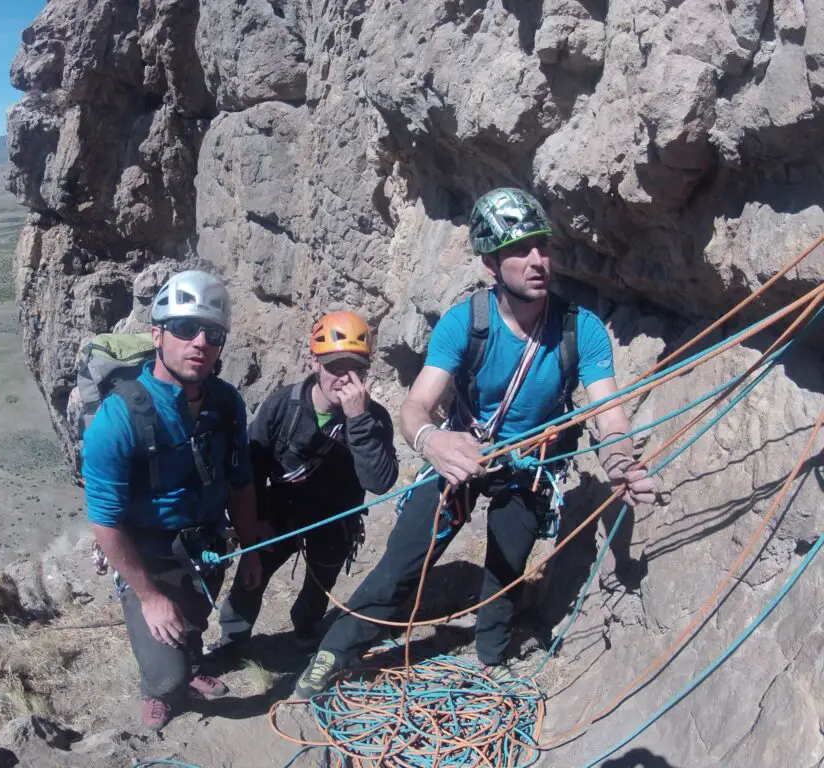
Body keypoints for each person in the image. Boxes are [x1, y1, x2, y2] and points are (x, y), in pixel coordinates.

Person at [293, 187, 656, 698]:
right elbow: (416, 407)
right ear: (491, 262)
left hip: (529, 462)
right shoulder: (467, 323)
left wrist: (619, 462)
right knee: (403, 563)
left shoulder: (582, 330)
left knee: (506, 568)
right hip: (462, 452)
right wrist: (431, 441)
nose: (537, 261)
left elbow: (608, 416)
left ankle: (491, 657)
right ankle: (333, 652)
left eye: (543, 247)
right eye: (519, 250)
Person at [82, 270, 263, 731]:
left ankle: (192, 660)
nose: (199, 342)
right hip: (147, 552)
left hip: (205, 541)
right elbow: (104, 520)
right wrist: (147, 595)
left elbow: (240, 480)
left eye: (213, 334)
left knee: (196, 615)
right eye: (185, 329)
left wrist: (250, 548)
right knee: (168, 671)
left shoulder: (226, 404)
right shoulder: (119, 417)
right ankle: (160, 686)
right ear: (157, 334)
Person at [207, 311, 399, 657]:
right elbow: (252, 467)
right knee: (253, 576)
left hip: (335, 520)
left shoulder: (375, 419)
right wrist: (255, 523)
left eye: (356, 368)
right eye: (336, 366)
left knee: (321, 581)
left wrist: (357, 421)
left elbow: (380, 481)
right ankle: (232, 640)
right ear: (315, 362)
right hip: (280, 511)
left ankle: (305, 629)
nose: (345, 378)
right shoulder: (284, 405)